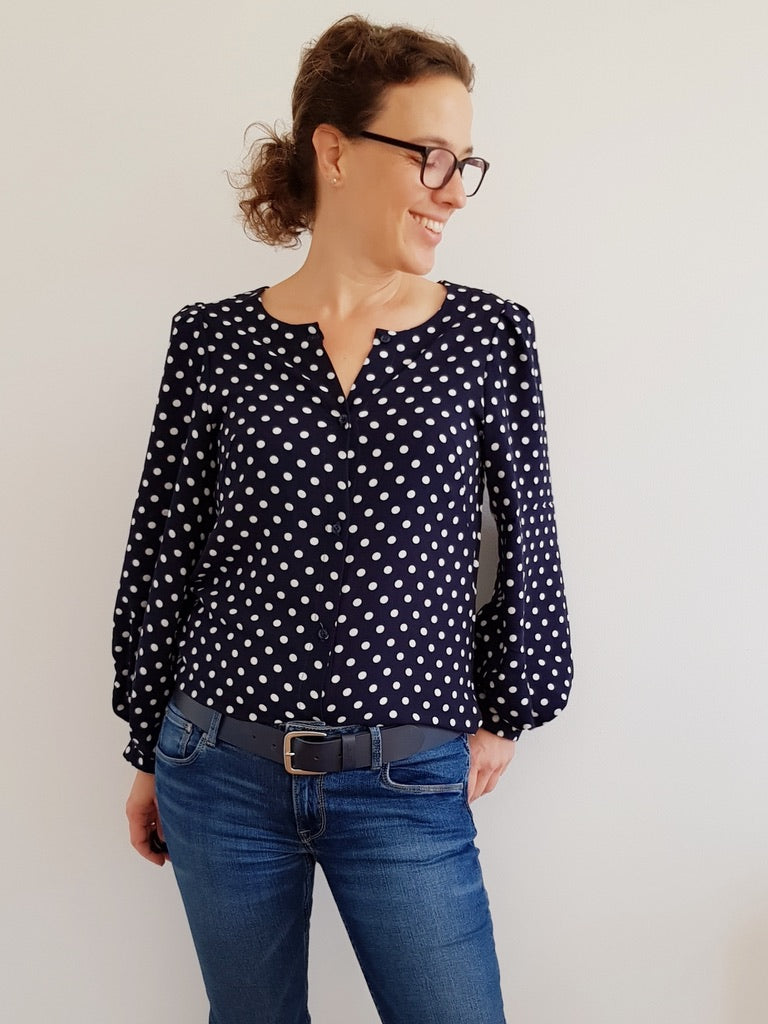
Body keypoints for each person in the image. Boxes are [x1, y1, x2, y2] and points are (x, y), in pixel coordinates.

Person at [113, 14, 573, 1024]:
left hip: (407, 777)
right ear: (334, 149)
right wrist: (147, 744)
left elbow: (524, 541)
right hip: (216, 768)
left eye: (465, 162)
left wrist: (507, 707)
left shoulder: (489, 335)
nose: (453, 189)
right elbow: (165, 550)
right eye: (429, 156)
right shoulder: (213, 342)